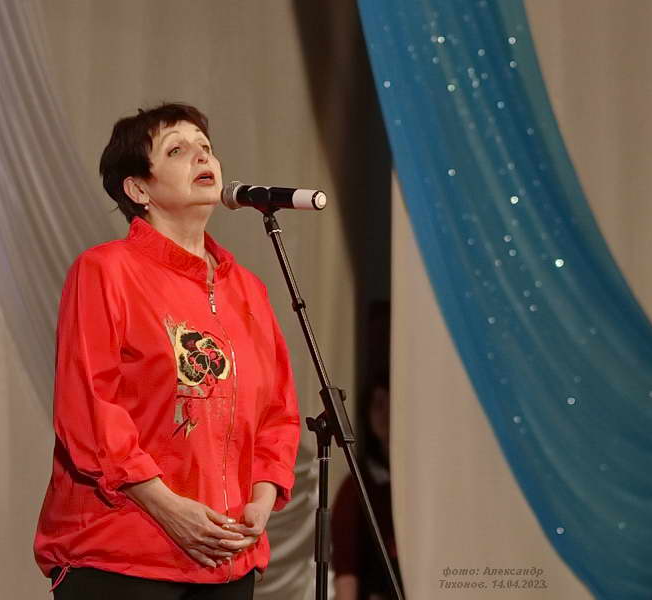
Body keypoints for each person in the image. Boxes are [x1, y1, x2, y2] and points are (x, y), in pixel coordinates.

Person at [33, 103, 301, 599]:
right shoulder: (105, 271)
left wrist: (261, 500)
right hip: (123, 552)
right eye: (177, 150)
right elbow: (89, 407)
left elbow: (277, 412)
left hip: (226, 555)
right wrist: (165, 505)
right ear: (138, 189)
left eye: (206, 147)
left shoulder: (248, 289)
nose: (202, 157)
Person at [330, 375, 401, 600]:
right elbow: (346, 567)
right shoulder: (356, 485)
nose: (387, 413)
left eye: (392, 403)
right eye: (379, 405)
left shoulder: (421, 481)